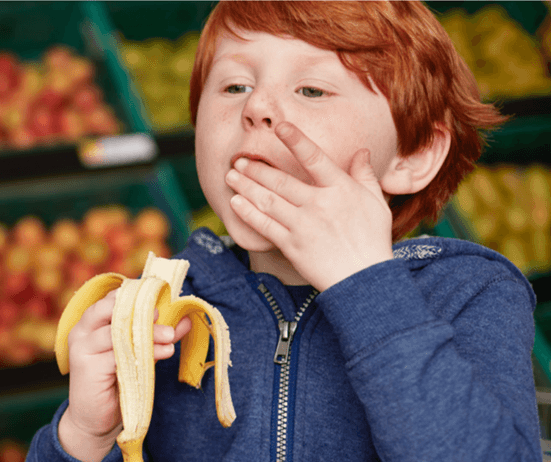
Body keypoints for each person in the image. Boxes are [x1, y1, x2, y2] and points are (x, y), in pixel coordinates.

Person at [27, 1, 542, 460]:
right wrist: (83, 438)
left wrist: (365, 283)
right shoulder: (168, 313)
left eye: (311, 89)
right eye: (234, 86)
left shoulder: (471, 294)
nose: (256, 107)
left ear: (413, 155)